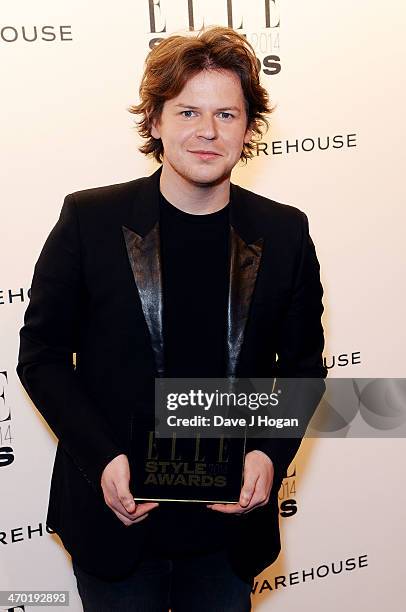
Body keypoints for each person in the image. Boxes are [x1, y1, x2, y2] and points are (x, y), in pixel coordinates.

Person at [17, 25, 327, 611]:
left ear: (248, 127)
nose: (206, 132)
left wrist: (268, 453)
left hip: (229, 529)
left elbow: (305, 367)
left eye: (227, 115)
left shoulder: (285, 232)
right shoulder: (91, 219)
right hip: (116, 520)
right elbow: (43, 357)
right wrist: (102, 458)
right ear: (155, 122)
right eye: (187, 111)